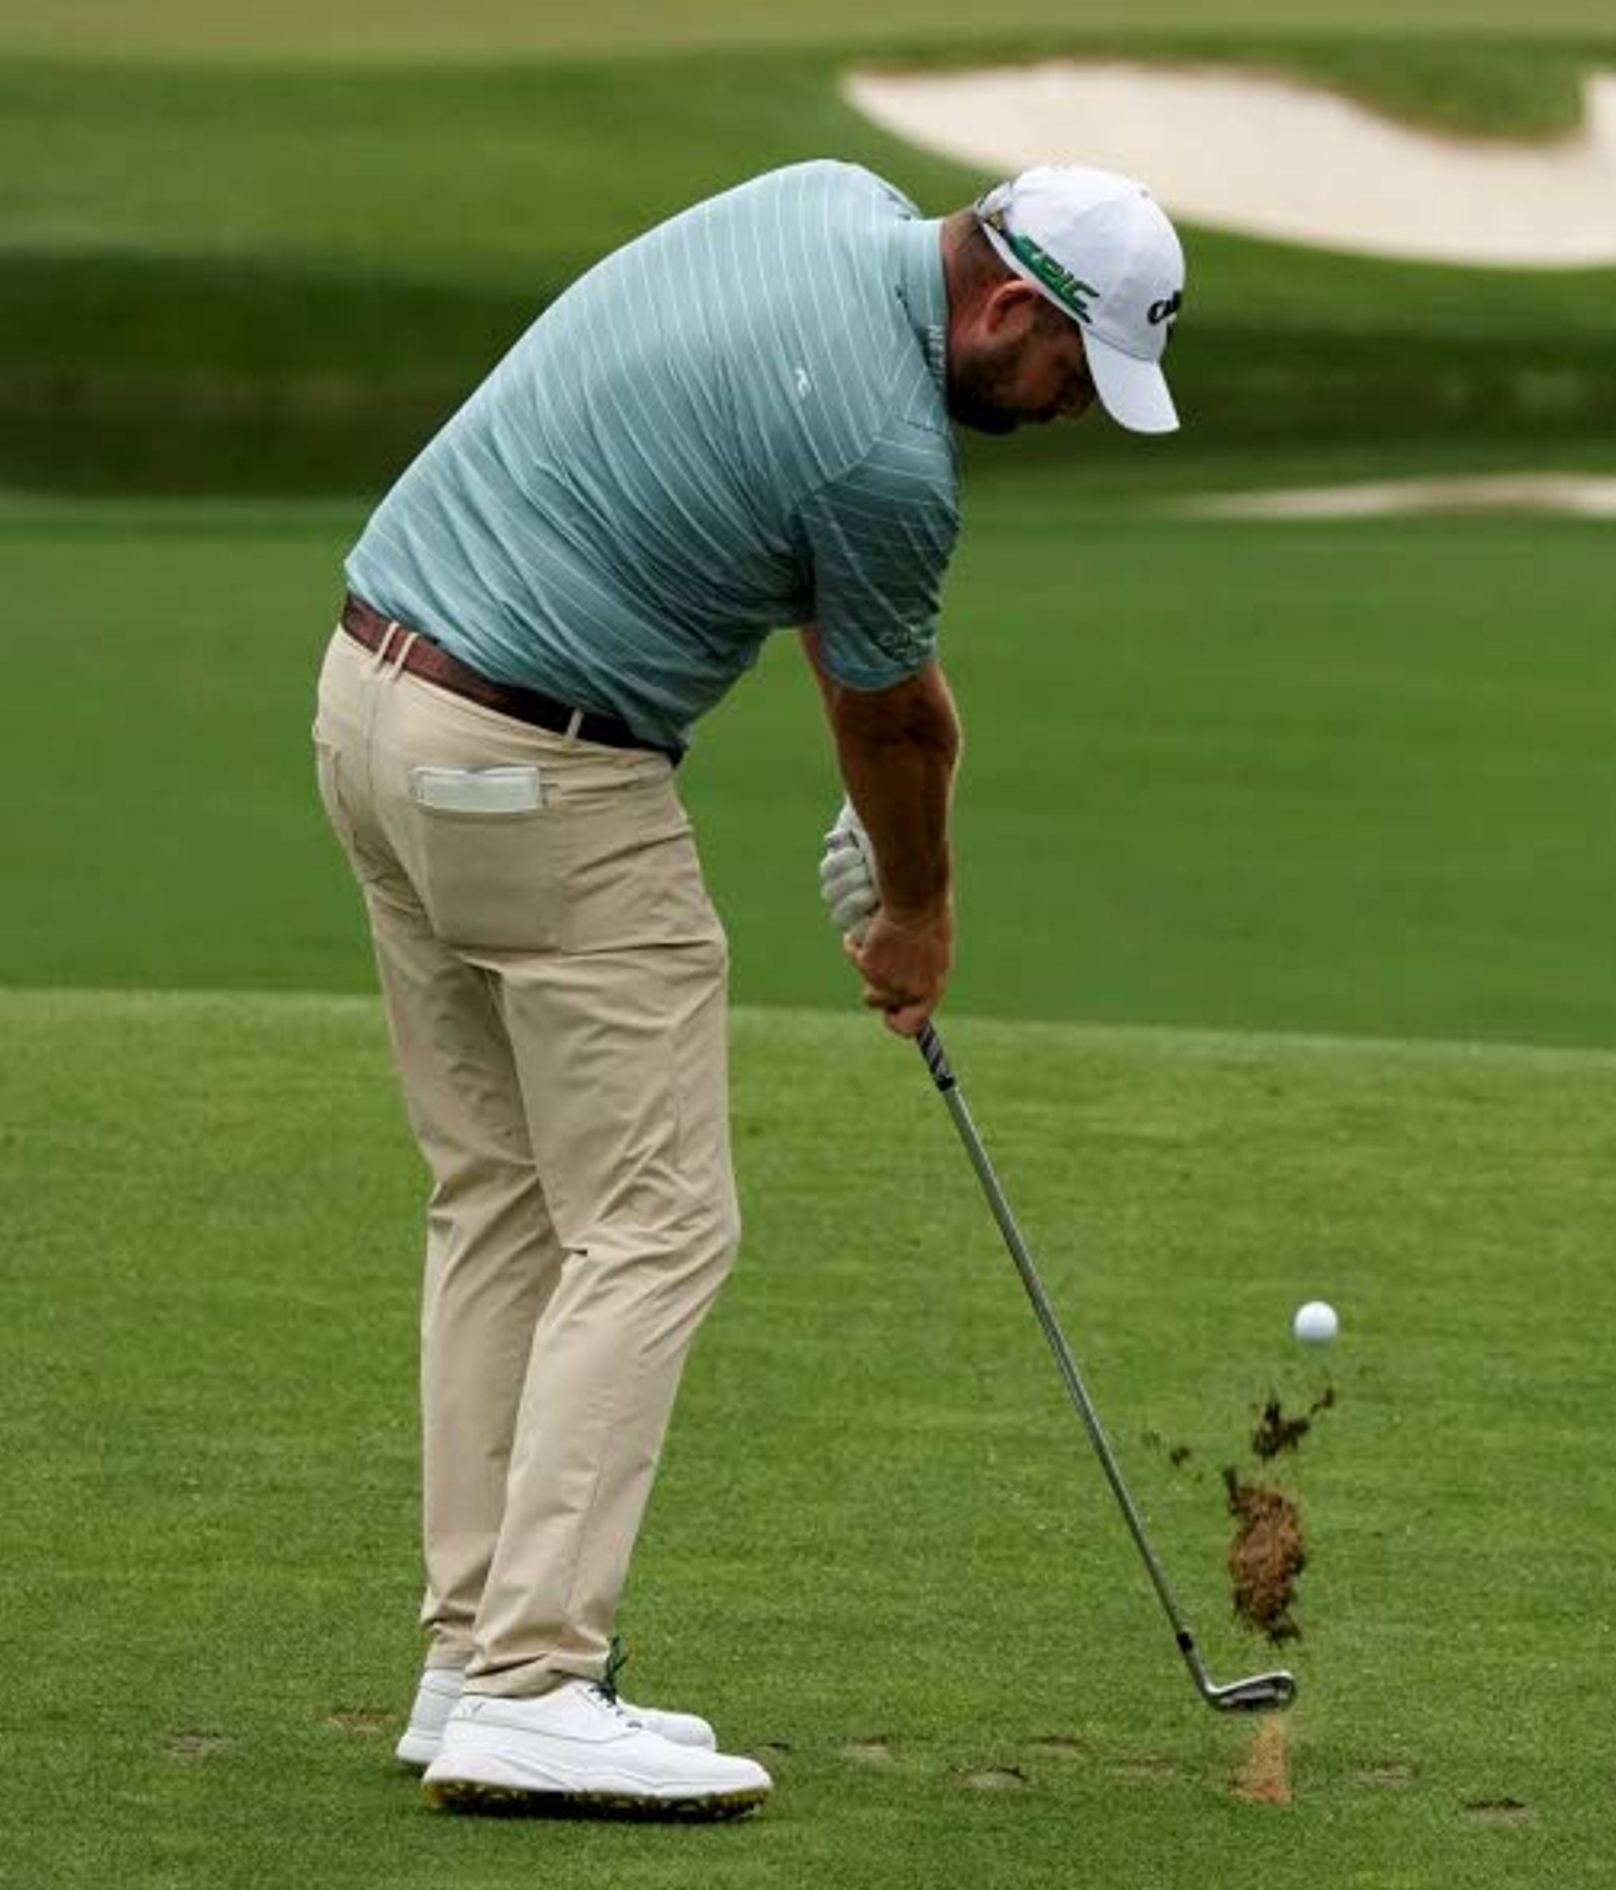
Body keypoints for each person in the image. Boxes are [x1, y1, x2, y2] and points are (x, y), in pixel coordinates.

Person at [308, 157, 1186, 1820]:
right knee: (657, 1223)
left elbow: (853, 630)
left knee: (501, 1202)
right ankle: (536, 1680)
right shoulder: (892, 457)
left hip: (373, 700)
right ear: (1011, 311)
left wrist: (898, 781)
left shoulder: (819, 200)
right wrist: (915, 907)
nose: (1075, 412)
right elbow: (886, 710)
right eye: (1076, 374)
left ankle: (466, 1664)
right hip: (536, 763)